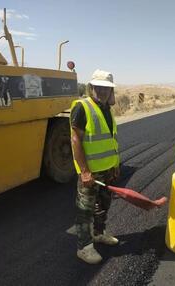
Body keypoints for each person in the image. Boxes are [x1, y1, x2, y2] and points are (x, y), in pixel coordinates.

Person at [70, 69, 120, 264]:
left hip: (107, 169)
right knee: (85, 210)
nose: (103, 91)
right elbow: (75, 139)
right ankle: (84, 247)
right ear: (92, 87)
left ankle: (99, 234)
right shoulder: (83, 107)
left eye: (107, 88)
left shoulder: (107, 109)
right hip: (89, 172)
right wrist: (84, 171)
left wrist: (115, 164)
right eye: (99, 87)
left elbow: (112, 140)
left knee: (103, 205)